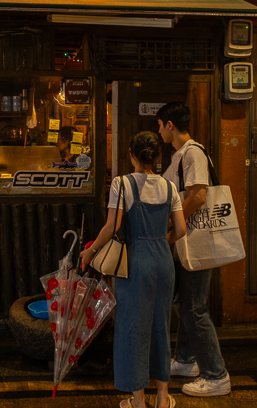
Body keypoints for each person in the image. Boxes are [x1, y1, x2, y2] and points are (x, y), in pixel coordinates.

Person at [80, 131, 186, 408]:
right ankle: (163, 398)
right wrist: (161, 242)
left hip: (135, 262)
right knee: (161, 327)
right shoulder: (169, 187)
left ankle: (138, 401)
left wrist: (90, 251)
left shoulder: (122, 184)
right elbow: (181, 229)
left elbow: (112, 227)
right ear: (156, 157)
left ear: (131, 155)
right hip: (164, 262)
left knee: (132, 327)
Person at [157, 102, 231, 397]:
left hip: (195, 240)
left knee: (193, 307)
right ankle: (187, 361)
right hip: (187, 243)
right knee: (182, 301)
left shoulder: (192, 152)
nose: (159, 131)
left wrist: (174, 231)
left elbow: (199, 196)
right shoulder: (180, 155)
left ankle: (217, 375)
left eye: (160, 126)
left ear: (170, 125)